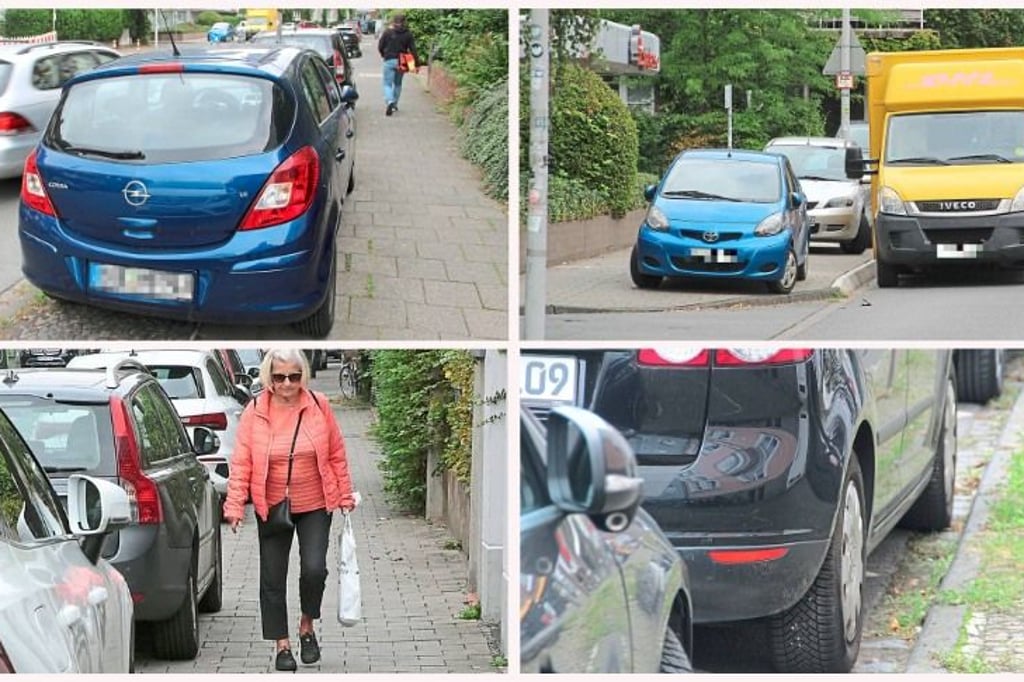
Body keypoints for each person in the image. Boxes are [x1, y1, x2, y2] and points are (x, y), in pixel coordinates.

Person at [223, 348, 357, 672]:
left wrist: (344, 492)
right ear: (269, 377)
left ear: (303, 377)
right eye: (279, 377)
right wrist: (235, 504)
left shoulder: (318, 405)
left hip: (315, 502)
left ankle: (307, 625)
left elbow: (336, 452)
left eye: (294, 377)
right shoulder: (254, 411)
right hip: (271, 505)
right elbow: (241, 462)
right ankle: (282, 644)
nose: (286, 384)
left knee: (314, 569)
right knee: (273, 576)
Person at [378, 13, 418, 116]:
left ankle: (390, 101)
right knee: (398, 83)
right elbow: (413, 50)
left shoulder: (387, 32)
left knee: (387, 84)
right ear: (404, 22)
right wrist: (416, 64)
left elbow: (380, 46)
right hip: (402, 61)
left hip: (389, 60)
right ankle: (395, 104)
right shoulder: (408, 34)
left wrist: (383, 54)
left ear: (393, 21)